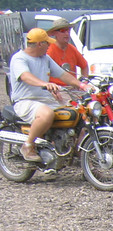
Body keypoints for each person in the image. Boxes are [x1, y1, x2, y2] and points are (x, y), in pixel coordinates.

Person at [9, 27, 92, 162]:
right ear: (39, 44)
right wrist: (45, 84)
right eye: (47, 43)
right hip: (25, 100)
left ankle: (76, 149)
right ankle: (28, 145)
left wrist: (82, 85)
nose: (49, 45)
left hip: (46, 100)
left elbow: (62, 74)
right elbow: (25, 76)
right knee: (47, 114)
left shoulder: (45, 58)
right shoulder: (19, 58)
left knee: (79, 111)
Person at [46, 18, 88, 86]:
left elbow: (84, 66)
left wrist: (84, 82)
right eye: (62, 31)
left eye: (68, 30)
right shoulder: (49, 51)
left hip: (72, 88)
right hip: (56, 89)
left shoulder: (72, 49)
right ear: (54, 33)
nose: (67, 33)